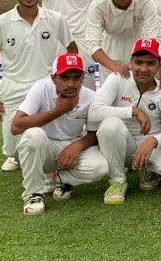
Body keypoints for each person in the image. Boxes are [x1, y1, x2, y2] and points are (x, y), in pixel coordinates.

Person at [0, 0, 75, 172]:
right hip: (14, 86)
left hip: (45, 85)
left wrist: (65, 82)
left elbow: (72, 49)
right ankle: (16, 156)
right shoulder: (0, 23)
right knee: (13, 148)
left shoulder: (55, 18)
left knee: (44, 137)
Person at [12, 53, 108, 216]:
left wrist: (77, 146)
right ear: (54, 78)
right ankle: (33, 194)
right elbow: (16, 126)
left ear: (83, 78)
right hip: (44, 147)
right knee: (34, 135)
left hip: (71, 145)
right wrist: (59, 110)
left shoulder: (91, 96)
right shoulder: (41, 88)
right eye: (65, 77)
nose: (71, 84)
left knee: (101, 167)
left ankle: (62, 179)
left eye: (76, 78)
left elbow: (93, 133)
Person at [90, 38, 161, 205]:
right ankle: (117, 181)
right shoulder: (118, 78)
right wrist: (133, 111)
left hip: (149, 145)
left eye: (150, 63)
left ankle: (147, 170)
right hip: (122, 144)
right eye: (138, 62)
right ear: (130, 62)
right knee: (110, 125)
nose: (143, 69)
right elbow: (94, 111)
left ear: (159, 64)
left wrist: (153, 141)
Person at [85, 0, 161, 87]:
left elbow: (155, 41)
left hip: (141, 53)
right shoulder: (98, 6)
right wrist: (114, 66)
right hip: (109, 55)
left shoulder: (145, 2)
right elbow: (92, 45)